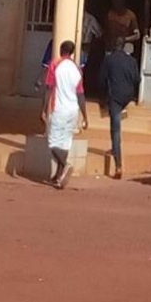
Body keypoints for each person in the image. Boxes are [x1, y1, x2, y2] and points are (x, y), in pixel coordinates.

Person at [42, 39, 87, 190]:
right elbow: (80, 94)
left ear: (61, 50)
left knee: (52, 142)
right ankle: (59, 176)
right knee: (65, 143)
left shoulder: (55, 65)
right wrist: (85, 116)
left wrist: (43, 109)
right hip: (73, 111)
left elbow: (49, 88)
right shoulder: (76, 69)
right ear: (72, 52)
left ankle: (65, 164)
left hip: (59, 109)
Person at [102, 40, 141, 179]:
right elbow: (137, 79)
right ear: (124, 47)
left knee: (115, 130)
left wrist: (104, 97)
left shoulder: (109, 59)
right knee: (117, 118)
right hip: (127, 97)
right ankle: (115, 149)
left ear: (114, 46)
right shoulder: (132, 61)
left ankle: (118, 165)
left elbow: (101, 79)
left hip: (115, 98)